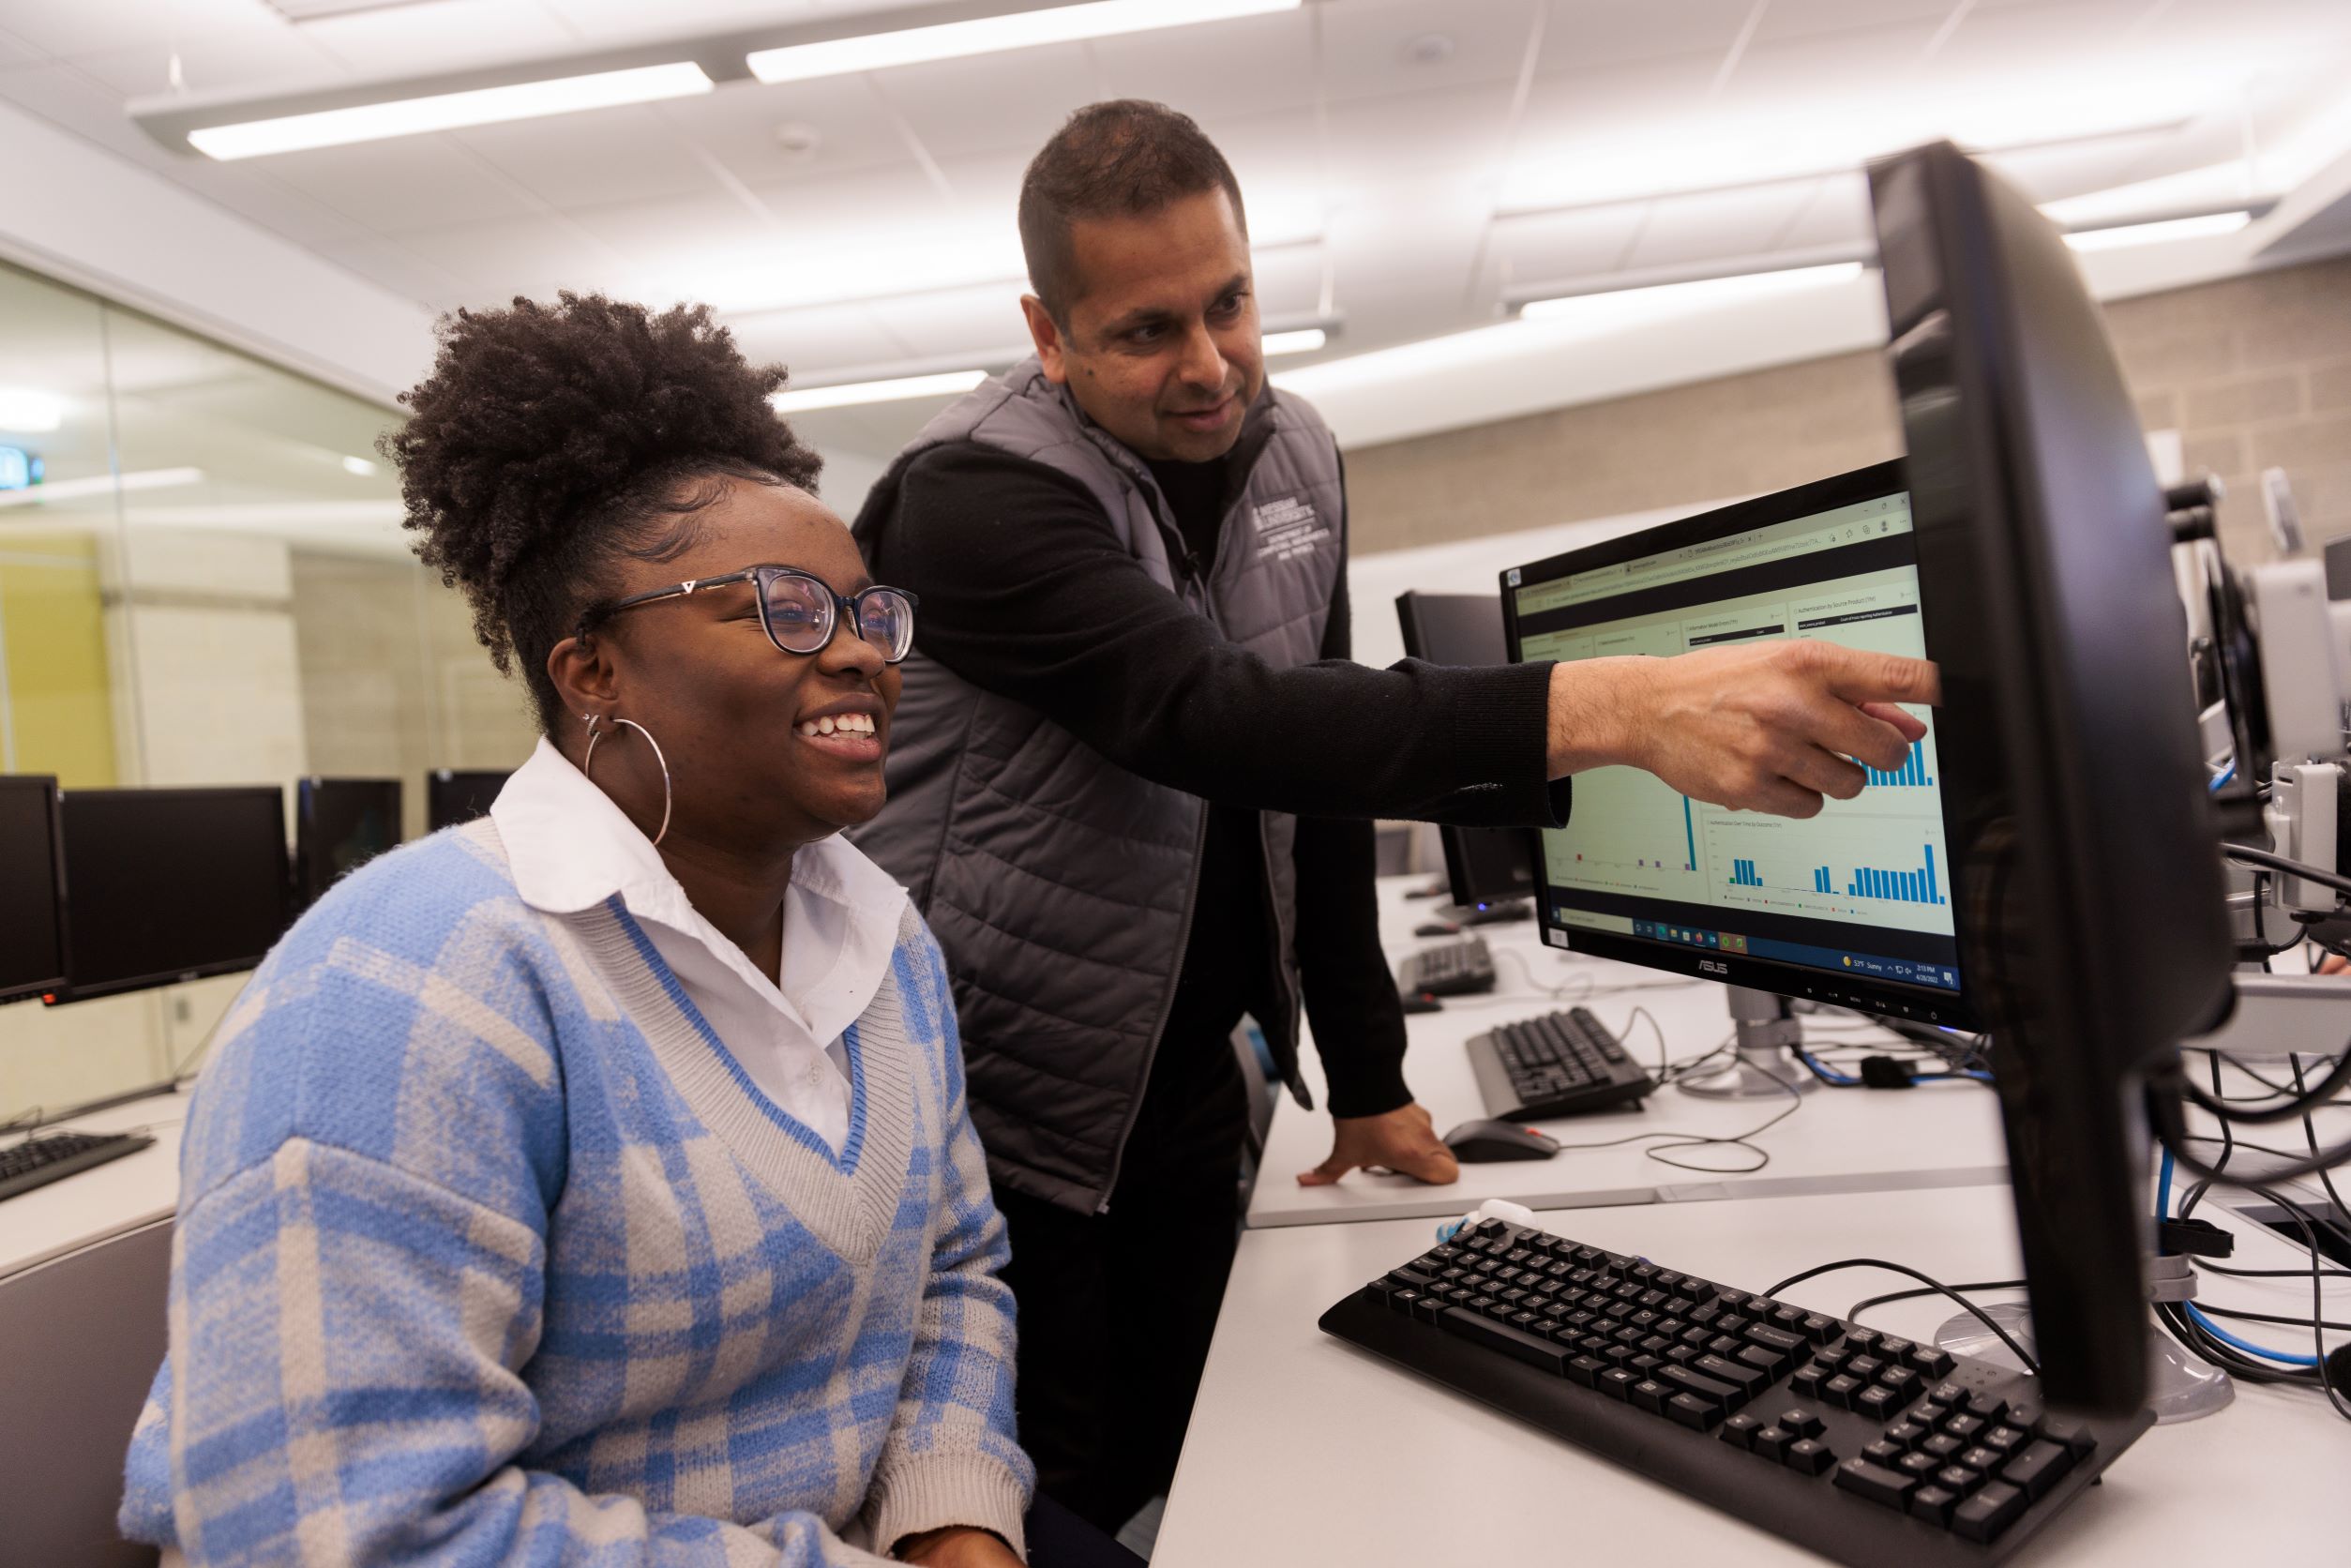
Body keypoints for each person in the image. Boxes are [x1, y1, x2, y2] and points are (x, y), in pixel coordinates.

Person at [851, 100, 1937, 1532]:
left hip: (1184, 1068)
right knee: (1060, 1478)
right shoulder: (973, 496)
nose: (1209, 363)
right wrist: (1617, 708)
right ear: (1050, 337)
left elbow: (1320, 775)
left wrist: (1367, 1074)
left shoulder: (1298, 451)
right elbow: (1212, 715)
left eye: (1230, 302)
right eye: (1146, 329)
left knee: (1196, 1455)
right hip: (1011, 1091)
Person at [117, 295, 1079, 1567]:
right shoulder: (408, 982)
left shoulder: (880, 933)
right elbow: (335, 1532)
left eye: (867, 613)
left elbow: (952, 1271)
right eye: (787, 608)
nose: (862, 657)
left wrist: (956, 1521)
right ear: (591, 673)